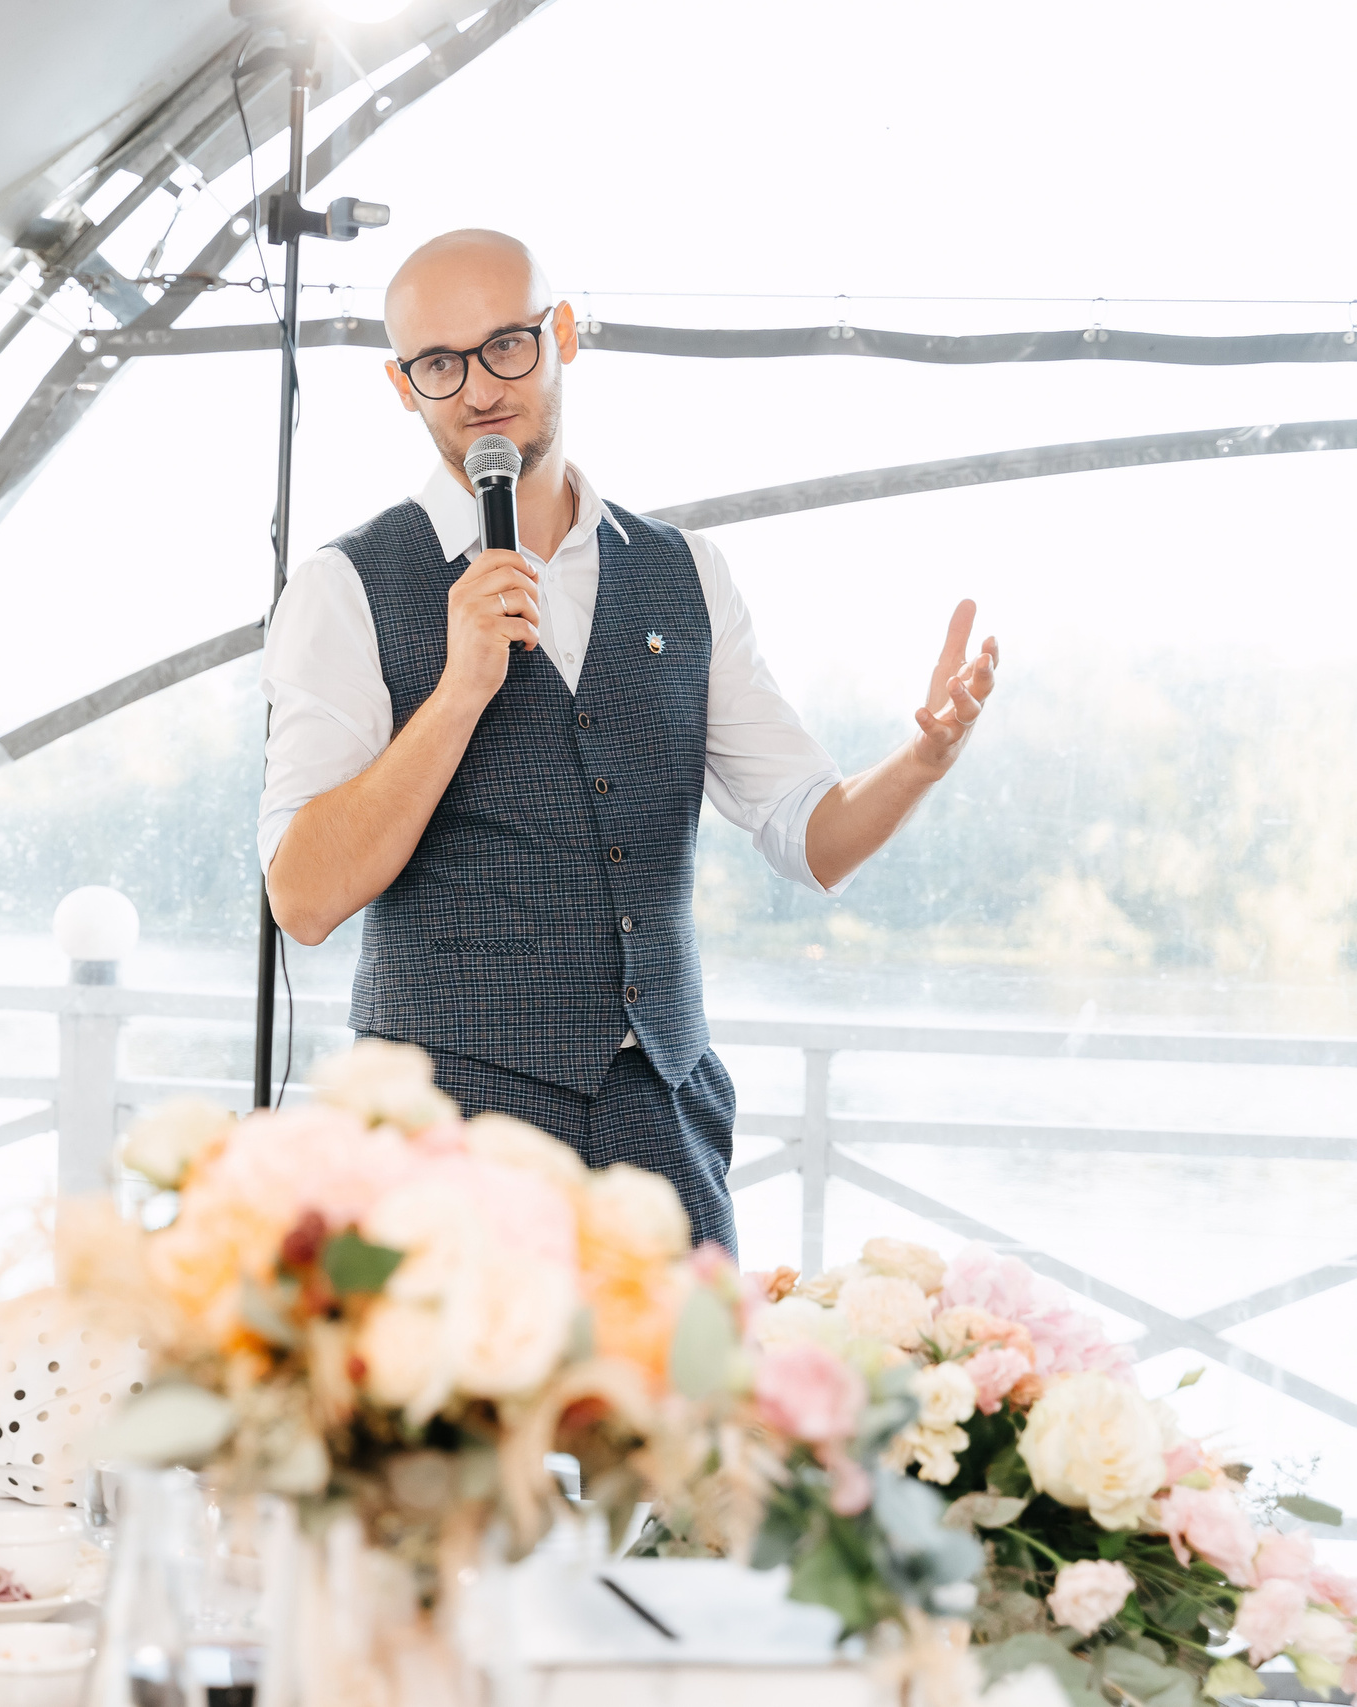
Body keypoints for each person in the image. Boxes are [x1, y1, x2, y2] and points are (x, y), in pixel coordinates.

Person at [261, 230, 1001, 1252]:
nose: (479, 388)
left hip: (665, 1129)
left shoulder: (685, 573)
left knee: (704, 1365)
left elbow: (811, 836)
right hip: (440, 1147)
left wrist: (923, 760)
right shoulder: (343, 586)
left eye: (506, 345)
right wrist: (460, 690)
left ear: (562, 333)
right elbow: (302, 897)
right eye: (439, 364)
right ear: (403, 385)